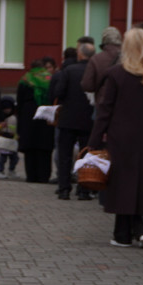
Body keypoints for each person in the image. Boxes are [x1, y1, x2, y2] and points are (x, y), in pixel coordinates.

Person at [88, 28, 143, 248]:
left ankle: (122, 234)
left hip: (121, 136)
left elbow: (104, 111)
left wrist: (92, 144)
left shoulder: (116, 74)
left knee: (123, 183)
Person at [50, 42, 95, 200]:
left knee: (65, 155)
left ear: (80, 54)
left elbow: (59, 92)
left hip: (68, 119)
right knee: (86, 156)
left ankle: (64, 189)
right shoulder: (94, 71)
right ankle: (83, 190)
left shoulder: (69, 70)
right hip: (88, 120)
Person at [15, 57, 56, 184]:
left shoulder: (25, 79)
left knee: (30, 148)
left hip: (28, 115)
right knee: (44, 147)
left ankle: (31, 176)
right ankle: (44, 176)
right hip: (46, 114)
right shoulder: (50, 79)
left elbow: (19, 101)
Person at [81, 26, 121, 96]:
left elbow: (87, 85)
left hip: (103, 101)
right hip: (123, 102)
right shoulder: (128, 58)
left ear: (103, 40)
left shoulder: (96, 59)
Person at [0, 99, 18, 178]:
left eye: (8, 108)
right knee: (2, 157)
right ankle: (0, 171)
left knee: (15, 158)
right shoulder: (0, 118)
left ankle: (11, 170)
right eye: (5, 109)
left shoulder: (14, 117)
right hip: (3, 139)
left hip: (12, 140)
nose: (7, 110)